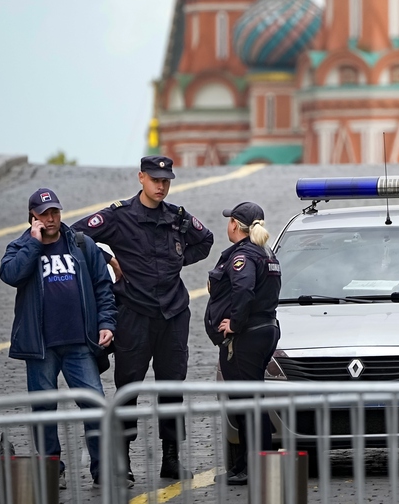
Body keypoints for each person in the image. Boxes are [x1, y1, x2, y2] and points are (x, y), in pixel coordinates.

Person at [71, 156, 213, 481]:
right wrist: (109, 260)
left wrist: (179, 259)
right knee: (128, 388)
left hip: (173, 313)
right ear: (141, 178)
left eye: (166, 180)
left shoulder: (177, 217)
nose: (161, 185)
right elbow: (75, 235)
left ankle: (172, 458)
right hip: (133, 312)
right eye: (155, 179)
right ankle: (124, 462)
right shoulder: (119, 216)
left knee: (173, 386)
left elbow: (205, 241)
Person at [0, 188, 117, 488]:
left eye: (55, 212)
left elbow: (103, 286)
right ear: (33, 217)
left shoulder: (80, 244)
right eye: (44, 214)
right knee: (43, 411)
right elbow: (11, 275)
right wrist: (33, 244)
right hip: (40, 347)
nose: (51, 218)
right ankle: (53, 468)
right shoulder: (20, 247)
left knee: (95, 405)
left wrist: (106, 323)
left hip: (79, 343)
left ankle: (102, 470)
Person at [203, 202, 281, 486]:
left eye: (230, 221)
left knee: (248, 403)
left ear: (235, 224)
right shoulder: (265, 253)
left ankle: (254, 467)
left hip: (246, 336)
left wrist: (234, 323)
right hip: (265, 330)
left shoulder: (244, 256)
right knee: (249, 400)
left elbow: (244, 289)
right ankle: (244, 466)